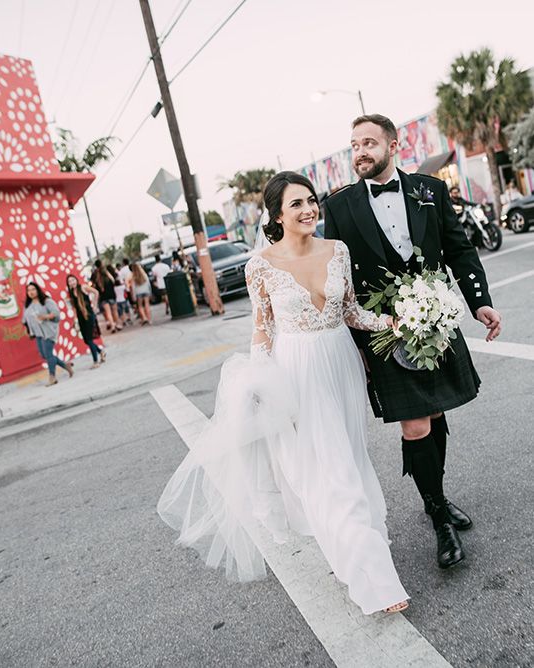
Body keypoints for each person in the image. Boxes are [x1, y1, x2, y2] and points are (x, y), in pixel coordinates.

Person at [158, 171, 409, 615]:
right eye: (296, 203)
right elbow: (263, 329)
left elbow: (350, 311)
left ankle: (350, 549)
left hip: (341, 366)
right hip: (296, 372)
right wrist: (259, 384)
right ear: (276, 214)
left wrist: (389, 321)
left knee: (348, 460)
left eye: (311, 200)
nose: (309, 209)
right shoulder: (260, 265)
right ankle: (376, 582)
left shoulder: (338, 251)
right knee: (330, 472)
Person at [324, 114, 502, 570]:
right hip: (384, 330)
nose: (359, 151)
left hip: (435, 319)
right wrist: (356, 345)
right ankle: (440, 516)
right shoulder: (340, 207)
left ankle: (433, 496)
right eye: (353, 145)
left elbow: (459, 249)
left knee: (436, 411)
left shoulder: (430, 189)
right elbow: (340, 282)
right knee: (415, 424)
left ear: (393, 145)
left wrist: (479, 302)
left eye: (368, 142)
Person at [22, 282, 73, 386]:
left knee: (48, 354)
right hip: (38, 333)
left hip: (49, 331)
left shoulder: (46, 301)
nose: (31, 292)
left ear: (38, 290)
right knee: (44, 354)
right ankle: (65, 366)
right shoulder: (28, 305)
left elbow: (56, 314)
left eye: (33, 289)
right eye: (29, 290)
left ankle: (52, 377)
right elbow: (25, 319)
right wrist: (27, 329)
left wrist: (44, 317)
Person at [66, 274, 106, 368]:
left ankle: (95, 361)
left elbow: (96, 292)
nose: (72, 282)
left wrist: (95, 306)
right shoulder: (71, 292)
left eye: (73, 280)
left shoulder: (83, 287)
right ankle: (101, 352)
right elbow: (74, 308)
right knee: (86, 340)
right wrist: (74, 319)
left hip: (88, 315)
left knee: (89, 339)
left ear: (76, 280)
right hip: (80, 318)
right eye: (70, 281)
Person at [91, 259, 121, 333]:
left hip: (103, 297)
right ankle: (117, 324)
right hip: (111, 295)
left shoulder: (95, 275)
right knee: (114, 311)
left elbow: (93, 285)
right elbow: (113, 280)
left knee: (108, 312)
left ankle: (112, 326)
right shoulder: (107, 273)